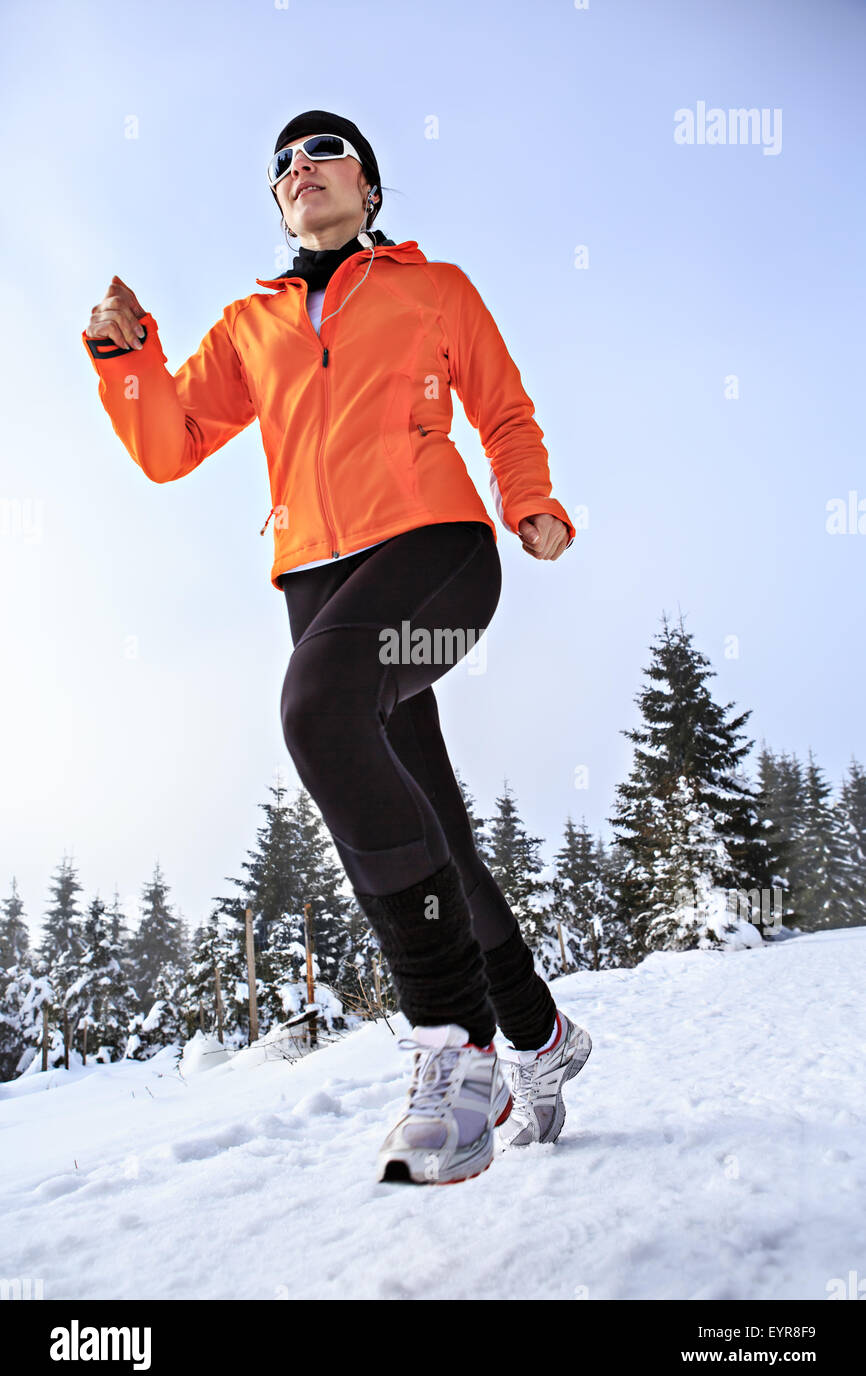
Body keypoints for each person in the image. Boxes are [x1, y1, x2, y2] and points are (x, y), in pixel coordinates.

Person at [81, 109, 592, 1187]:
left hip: (436, 551)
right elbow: (171, 444)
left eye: (324, 152)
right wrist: (128, 357)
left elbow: (502, 410)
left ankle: (456, 1044)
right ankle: (538, 1030)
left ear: (368, 187)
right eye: (283, 163)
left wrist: (530, 501)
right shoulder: (251, 324)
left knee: (317, 712)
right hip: (316, 580)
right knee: (431, 827)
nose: (300, 168)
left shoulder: (432, 287)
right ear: (279, 203)